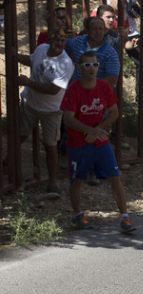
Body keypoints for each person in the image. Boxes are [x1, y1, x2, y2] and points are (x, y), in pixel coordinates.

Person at [60, 51, 134, 233]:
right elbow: (68, 119)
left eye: (95, 65)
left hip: (100, 141)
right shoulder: (74, 90)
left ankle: (125, 217)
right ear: (80, 68)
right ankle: (78, 215)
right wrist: (88, 131)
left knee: (115, 177)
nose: (91, 69)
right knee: (78, 180)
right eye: (87, 65)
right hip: (79, 143)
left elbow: (114, 112)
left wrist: (100, 129)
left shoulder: (104, 87)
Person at [12, 28, 73, 196]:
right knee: (20, 135)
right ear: (49, 40)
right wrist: (16, 56)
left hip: (51, 110)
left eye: (63, 40)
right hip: (30, 103)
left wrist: (27, 82)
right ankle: (8, 165)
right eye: (56, 40)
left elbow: (53, 90)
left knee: (50, 145)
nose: (60, 44)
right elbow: (32, 61)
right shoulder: (41, 49)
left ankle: (53, 182)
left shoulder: (66, 64)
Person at [65, 16, 120, 87]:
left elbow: (112, 78)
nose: (98, 32)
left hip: (96, 93)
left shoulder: (110, 53)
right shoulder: (77, 41)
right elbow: (61, 46)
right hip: (74, 90)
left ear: (105, 31)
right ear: (87, 31)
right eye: (94, 29)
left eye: (100, 29)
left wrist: (92, 89)